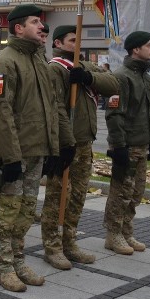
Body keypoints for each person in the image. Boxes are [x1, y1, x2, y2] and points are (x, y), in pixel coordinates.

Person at [0, 4, 75, 292]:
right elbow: (1, 113)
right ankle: (1, 267)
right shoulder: (5, 61)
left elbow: (53, 106)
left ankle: (18, 260)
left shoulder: (39, 60)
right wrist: (10, 158)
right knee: (7, 213)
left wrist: (59, 145)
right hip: (15, 153)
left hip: (38, 150)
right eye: (35, 22)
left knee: (26, 211)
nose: (42, 27)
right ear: (18, 28)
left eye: (41, 22)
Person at [41, 26, 119, 269]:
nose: (77, 44)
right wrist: (65, 142)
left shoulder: (82, 66)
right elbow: (57, 109)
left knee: (77, 195)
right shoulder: (55, 68)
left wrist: (88, 78)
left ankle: (70, 241)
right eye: (72, 40)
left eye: (78, 40)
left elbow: (113, 83)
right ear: (58, 42)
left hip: (85, 142)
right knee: (58, 196)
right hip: (66, 144)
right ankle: (52, 246)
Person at [103, 30, 150, 255]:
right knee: (121, 192)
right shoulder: (121, 77)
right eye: (149, 45)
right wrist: (119, 146)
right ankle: (113, 234)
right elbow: (114, 113)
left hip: (142, 145)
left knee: (136, 192)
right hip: (127, 145)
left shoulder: (147, 78)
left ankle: (126, 231)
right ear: (136, 49)